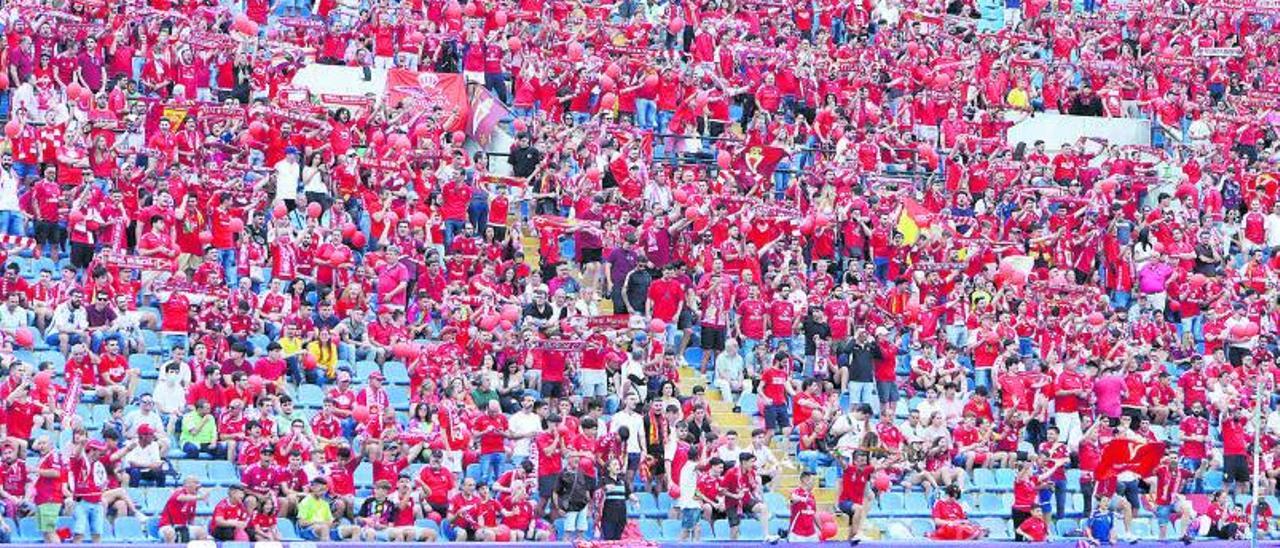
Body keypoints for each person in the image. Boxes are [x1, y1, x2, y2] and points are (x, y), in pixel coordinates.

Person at [155, 476, 210, 543]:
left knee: (201, 532)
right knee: (169, 532)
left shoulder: (193, 499)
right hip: (168, 526)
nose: (199, 485)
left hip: (183, 526)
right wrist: (200, 497)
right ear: (187, 484)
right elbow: (180, 498)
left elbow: (191, 519)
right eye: (196, 483)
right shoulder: (179, 492)